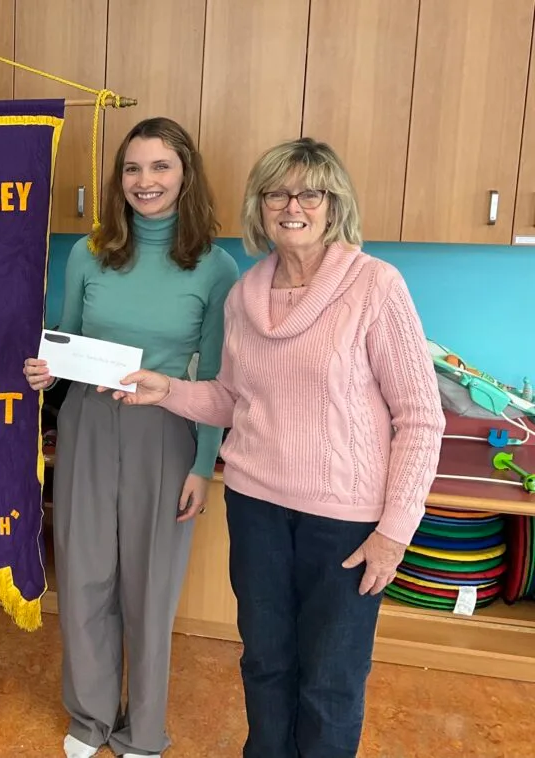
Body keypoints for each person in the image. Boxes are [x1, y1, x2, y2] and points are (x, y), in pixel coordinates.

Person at [108, 137, 445, 758]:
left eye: (310, 193)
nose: (293, 206)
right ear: (258, 206)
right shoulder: (245, 293)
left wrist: (394, 531)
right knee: (264, 663)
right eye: (276, 194)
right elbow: (233, 399)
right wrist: (167, 390)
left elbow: (421, 419)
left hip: (345, 523)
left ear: (334, 204)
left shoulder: (375, 286)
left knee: (330, 681)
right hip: (256, 509)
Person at [24, 117, 239, 758]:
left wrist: (202, 464)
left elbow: (218, 379)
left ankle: (142, 731)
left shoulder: (216, 267)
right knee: (84, 575)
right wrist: (46, 371)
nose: (145, 181)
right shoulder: (89, 254)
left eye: (160, 167)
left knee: (150, 588)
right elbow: (65, 341)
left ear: (185, 175)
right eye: (133, 168)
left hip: (166, 432)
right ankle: (90, 717)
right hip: (88, 425)